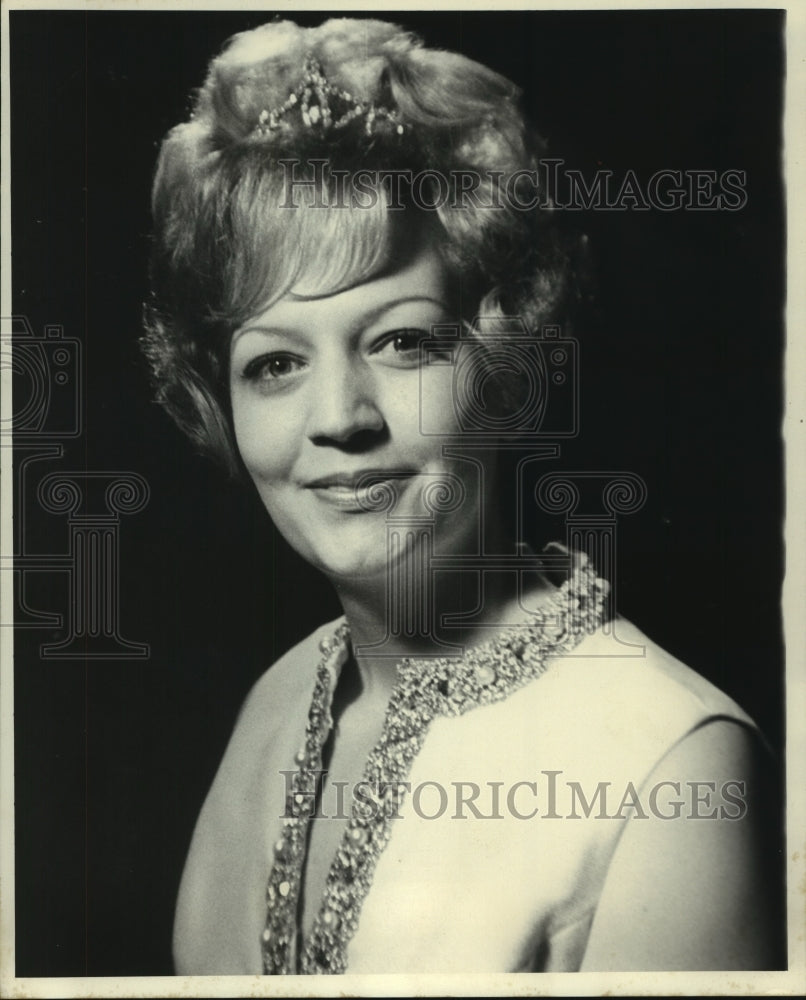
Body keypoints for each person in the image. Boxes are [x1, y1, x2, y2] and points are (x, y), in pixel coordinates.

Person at [142, 17, 783, 975]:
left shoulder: (669, 765)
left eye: (403, 341)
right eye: (274, 363)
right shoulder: (274, 703)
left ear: (502, 358)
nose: (340, 418)